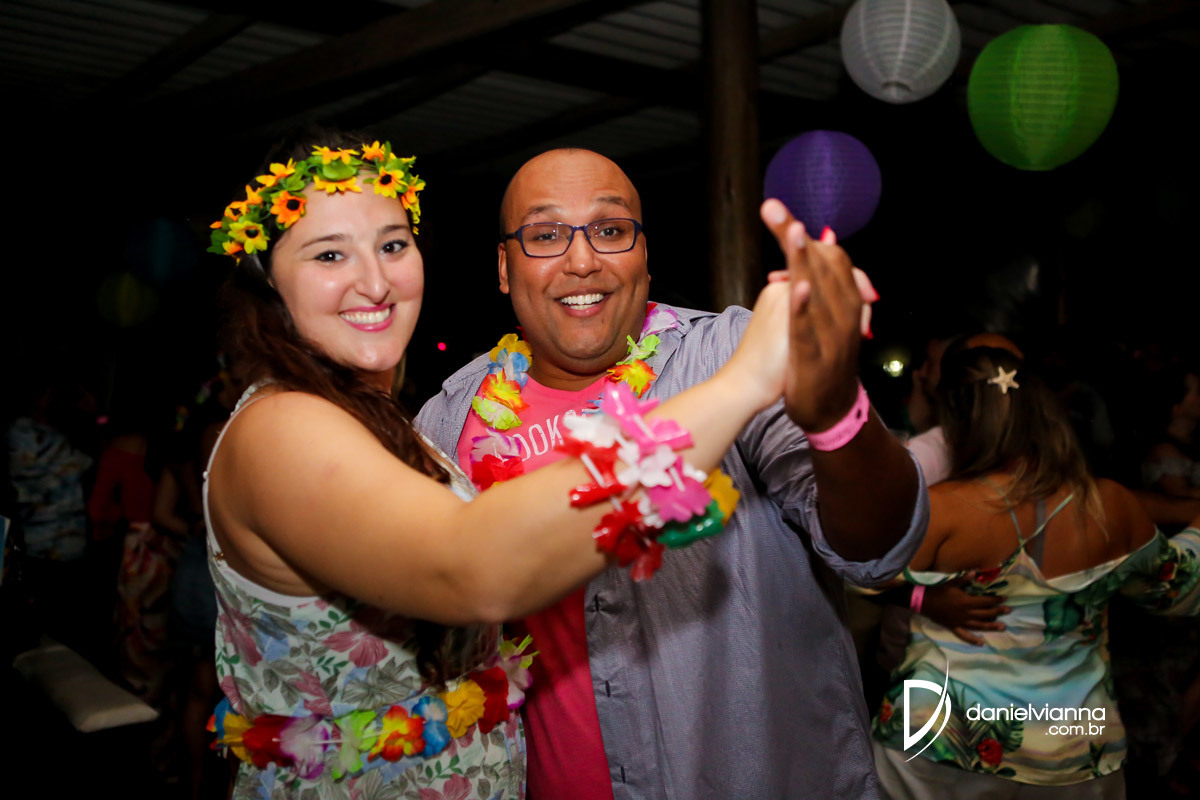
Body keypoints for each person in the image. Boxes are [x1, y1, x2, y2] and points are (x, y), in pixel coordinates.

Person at [202, 133, 797, 798]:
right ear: (267, 279)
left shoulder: (381, 420)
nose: (374, 281)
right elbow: (472, 566)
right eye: (330, 254)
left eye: (392, 245)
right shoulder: (283, 426)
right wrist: (745, 381)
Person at [416, 148, 928, 799]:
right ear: (503, 266)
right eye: (545, 235)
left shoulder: (733, 356)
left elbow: (878, 551)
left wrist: (835, 417)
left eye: (610, 230)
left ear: (644, 255)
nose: (582, 260)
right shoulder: (449, 419)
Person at [871, 346, 1200, 799]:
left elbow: (858, 572)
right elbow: (1177, 589)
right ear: (1043, 411)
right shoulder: (1111, 506)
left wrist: (923, 597)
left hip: (939, 740)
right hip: (1071, 746)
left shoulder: (941, 510)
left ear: (956, 422)